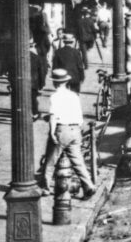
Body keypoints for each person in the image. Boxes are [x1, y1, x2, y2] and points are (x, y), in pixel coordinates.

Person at [37, 68, 96, 198]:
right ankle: (89, 186)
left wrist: (52, 133)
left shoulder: (55, 97)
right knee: (78, 162)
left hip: (61, 130)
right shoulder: (74, 96)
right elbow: (79, 117)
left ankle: (45, 188)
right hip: (75, 130)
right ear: (65, 82)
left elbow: (53, 116)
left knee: (50, 161)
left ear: (55, 83)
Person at [30, 39, 47, 118]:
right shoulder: (36, 57)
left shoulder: (16, 56)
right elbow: (41, 72)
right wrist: (41, 84)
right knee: (33, 98)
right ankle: (35, 113)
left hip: (20, 82)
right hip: (33, 82)